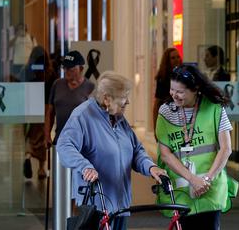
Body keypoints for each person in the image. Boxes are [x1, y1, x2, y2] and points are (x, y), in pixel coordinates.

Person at [57, 71, 167, 230]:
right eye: (123, 97)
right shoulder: (82, 115)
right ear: (107, 99)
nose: (128, 102)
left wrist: (151, 167)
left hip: (120, 204)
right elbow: (65, 146)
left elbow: (136, 150)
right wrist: (85, 166)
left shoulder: (118, 118)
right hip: (96, 204)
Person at [155, 64, 238, 230]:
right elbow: (165, 154)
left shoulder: (214, 108)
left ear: (196, 89)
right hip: (181, 193)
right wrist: (192, 179)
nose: (174, 95)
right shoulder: (166, 111)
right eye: (172, 90)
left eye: (180, 91)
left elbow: (226, 148)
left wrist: (206, 180)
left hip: (210, 190)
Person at [44, 50, 95, 148]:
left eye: (70, 68)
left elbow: (94, 118)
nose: (66, 71)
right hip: (60, 140)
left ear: (81, 69)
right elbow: (50, 113)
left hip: (82, 143)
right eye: (65, 68)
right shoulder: (57, 84)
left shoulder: (90, 87)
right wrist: (47, 136)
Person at [23, 46, 57, 179]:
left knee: (30, 133)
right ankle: (42, 168)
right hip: (45, 106)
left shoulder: (28, 70)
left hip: (31, 102)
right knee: (42, 136)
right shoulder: (50, 72)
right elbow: (53, 90)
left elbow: (22, 84)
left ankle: (27, 154)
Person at [152, 47, 182, 132]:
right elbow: (157, 103)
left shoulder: (183, 75)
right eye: (173, 58)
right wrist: (155, 127)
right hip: (168, 117)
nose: (176, 60)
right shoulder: (163, 78)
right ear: (167, 61)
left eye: (178, 57)